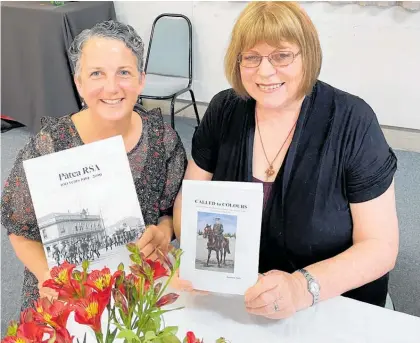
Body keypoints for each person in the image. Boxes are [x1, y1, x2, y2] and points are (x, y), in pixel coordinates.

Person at [145, 1, 399, 319]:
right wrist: (203, 262)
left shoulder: (352, 122)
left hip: (329, 303)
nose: (265, 71)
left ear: (308, 55)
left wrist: (301, 288)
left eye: (282, 55)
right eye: (251, 57)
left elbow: (380, 245)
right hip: (236, 301)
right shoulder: (224, 110)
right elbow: (190, 200)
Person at [1, 20, 187, 311]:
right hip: (67, 294)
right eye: (96, 73)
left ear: (141, 79)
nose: (111, 87)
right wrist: (47, 276)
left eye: (124, 72)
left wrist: (164, 232)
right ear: (79, 82)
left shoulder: (162, 139)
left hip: (135, 284)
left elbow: (168, 212)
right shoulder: (48, 147)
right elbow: (20, 230)